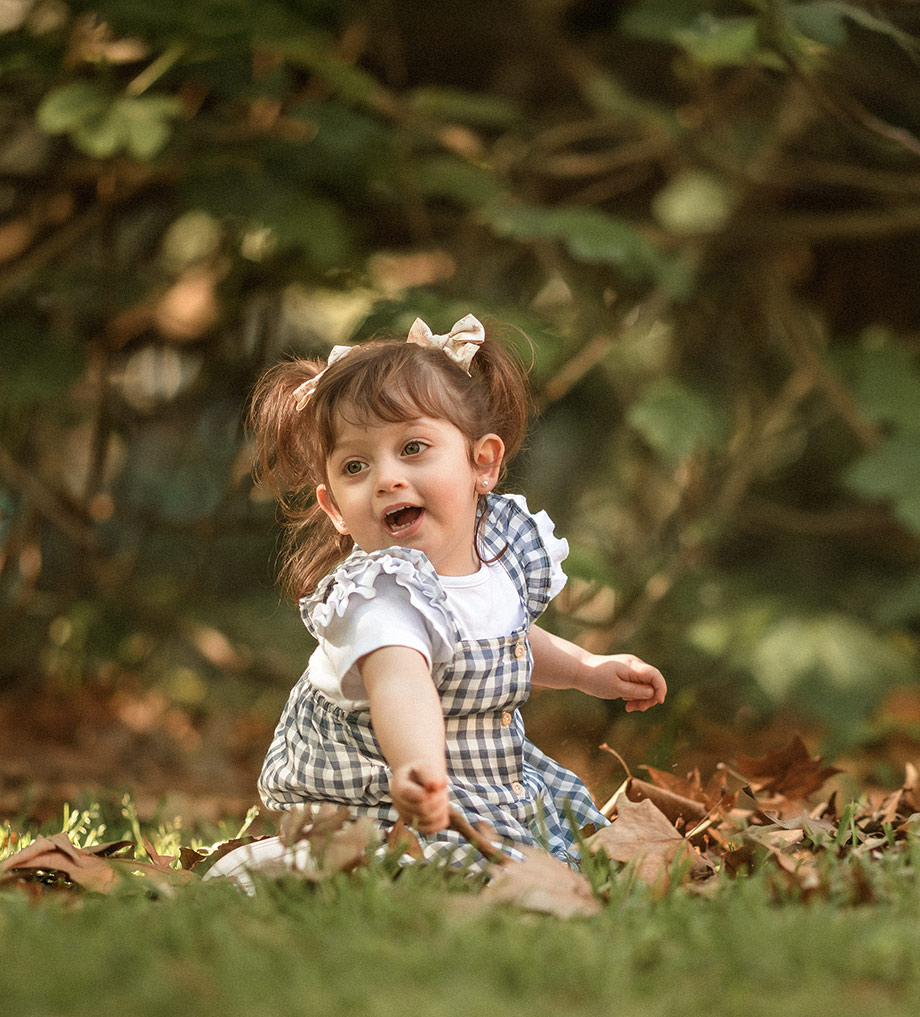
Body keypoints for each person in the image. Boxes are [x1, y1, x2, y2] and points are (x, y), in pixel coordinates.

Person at [238, 313, 664, 872]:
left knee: (569, 853)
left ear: (481, 463)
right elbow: (400, 682)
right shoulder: (380, 598)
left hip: (483, 778)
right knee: (446, 871)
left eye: (412, 448)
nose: (387, 478)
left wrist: (586, 668)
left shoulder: (498, 561)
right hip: (386, 792)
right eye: (356, 465)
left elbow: (509, 638)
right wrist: (416, 766)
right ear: (335, 509)